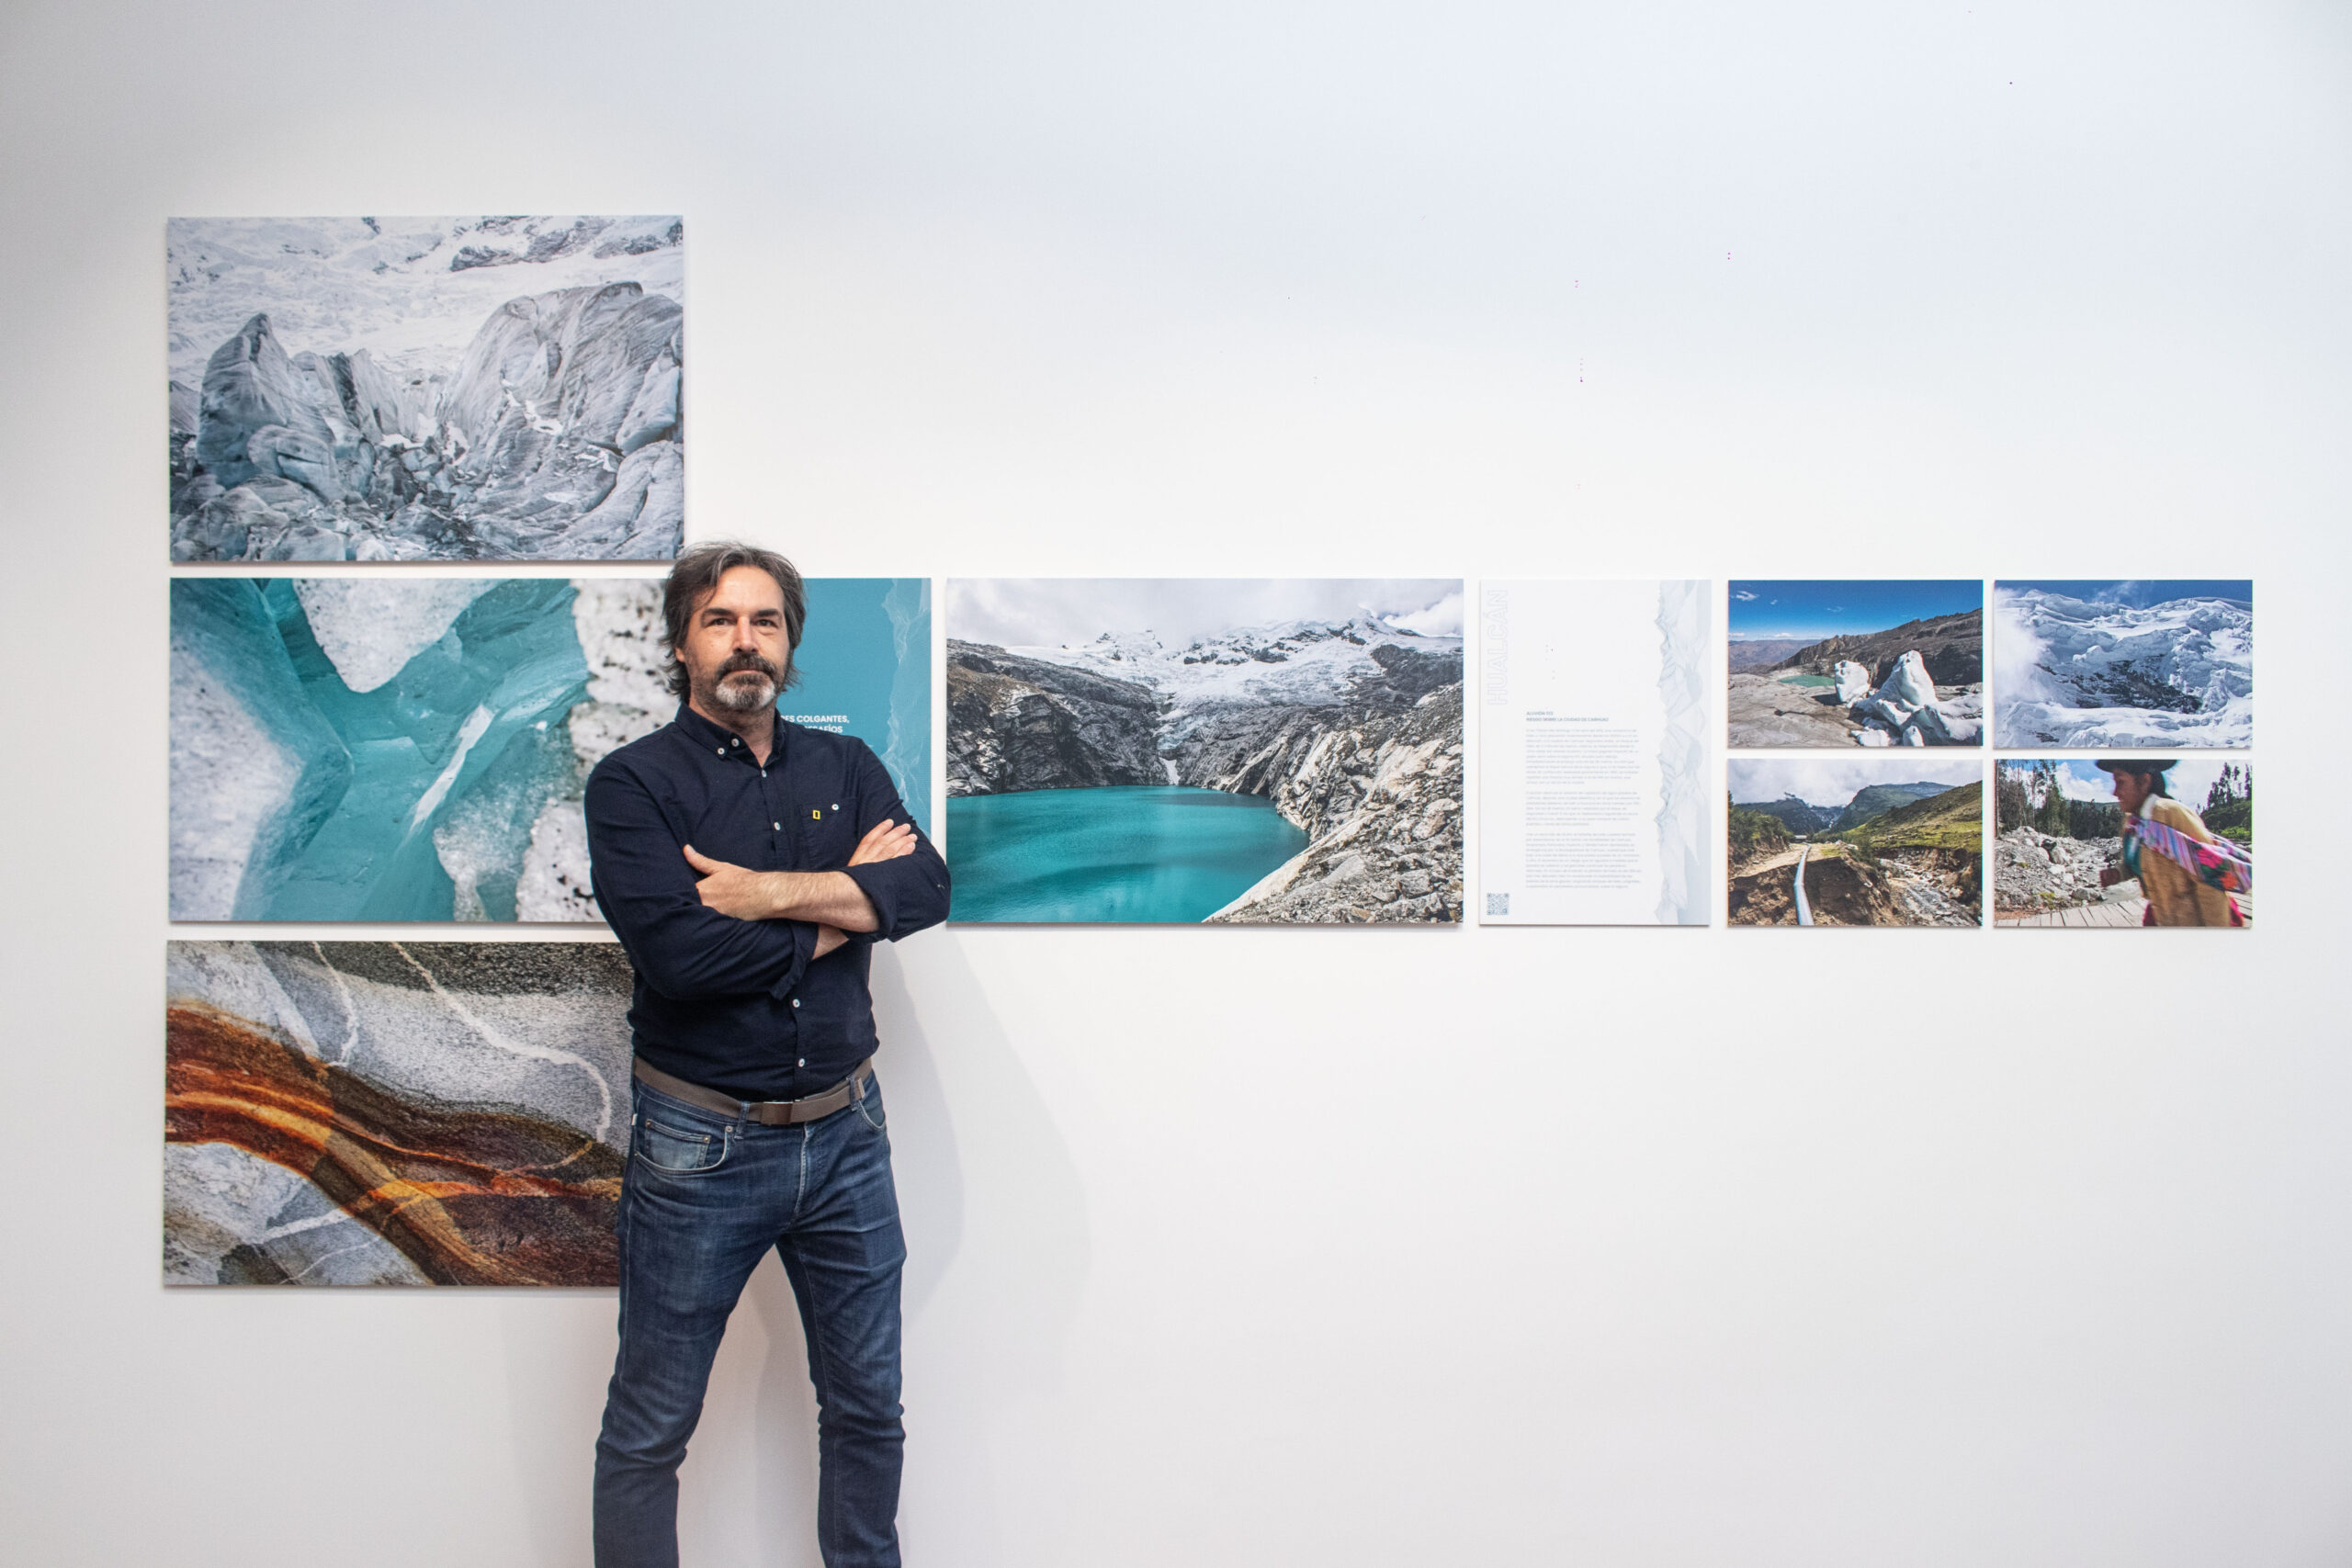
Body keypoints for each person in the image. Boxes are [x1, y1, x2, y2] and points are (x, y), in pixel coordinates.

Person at [585, 541, 949, 1568]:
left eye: (766, 622)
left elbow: (924, 891)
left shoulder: (846, 766)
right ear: (680, 643)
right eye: (720, 620)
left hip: (847, 1136)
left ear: (788, 646)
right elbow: (685, 957)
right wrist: (848, 898)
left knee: (869, 1407)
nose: (746, 640)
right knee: (650, 1430)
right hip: (698, 1145)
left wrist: (763, 890)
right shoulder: (632, 787)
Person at [2095, 759, 2248, 927]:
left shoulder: (2171, 815)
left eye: (2120, 781)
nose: (2115, 792)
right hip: (2162, 917)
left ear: (2144, 782)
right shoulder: (2132, 823)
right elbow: (2134, 863)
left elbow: (2210, 879)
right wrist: (2119, 873)